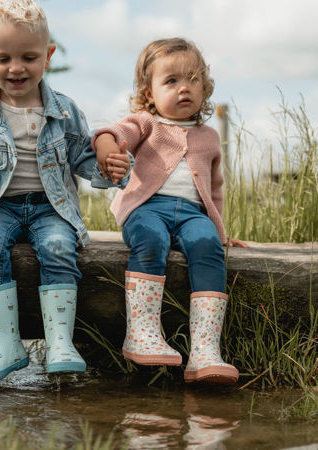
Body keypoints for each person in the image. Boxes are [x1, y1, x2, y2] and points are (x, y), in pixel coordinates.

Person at [0, 0, 130, 386]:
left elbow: (84, 158)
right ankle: (3, 344)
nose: (16, 67)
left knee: (58, 245)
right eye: (3, 58)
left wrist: (110, 168)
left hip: (49, 207)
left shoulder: (65, 111)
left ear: (48, 56)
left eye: (29, 57)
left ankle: (59, 342)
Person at [93, 37, 249, 384]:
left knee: (208, 246)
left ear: (205, 87)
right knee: (151, 240)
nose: (184, 88)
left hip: (194, 214)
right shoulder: (146, 123)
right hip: (146, 209)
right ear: (149, 92)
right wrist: (107, 150)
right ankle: (143, 334)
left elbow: (215, 190)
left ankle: (205, 351)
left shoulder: (208, 136)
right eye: (171, 80)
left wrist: (221, 232)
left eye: (193, 79)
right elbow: (111, 132)